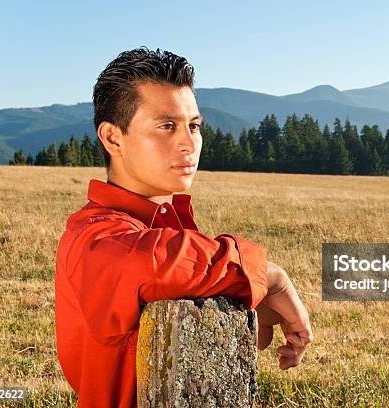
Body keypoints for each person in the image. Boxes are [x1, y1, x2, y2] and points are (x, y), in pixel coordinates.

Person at [54, 47, 313, 407]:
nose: (189, 144)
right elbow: (150, 262)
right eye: (166, 126)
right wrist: (267, 276)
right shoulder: (93, 236)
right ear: (113, 138)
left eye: (194, 126)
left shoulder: (169, 228)